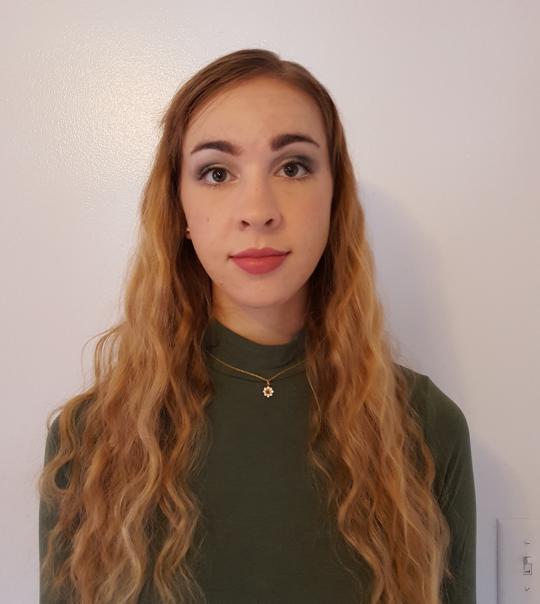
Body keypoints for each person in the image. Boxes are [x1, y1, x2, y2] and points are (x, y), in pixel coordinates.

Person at [38, 48, 476, 604]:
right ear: (180, 211)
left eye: (292, 167)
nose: (258, 210)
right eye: (217, 173)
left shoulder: (425, 426)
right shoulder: (92, 439)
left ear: (335, 197)